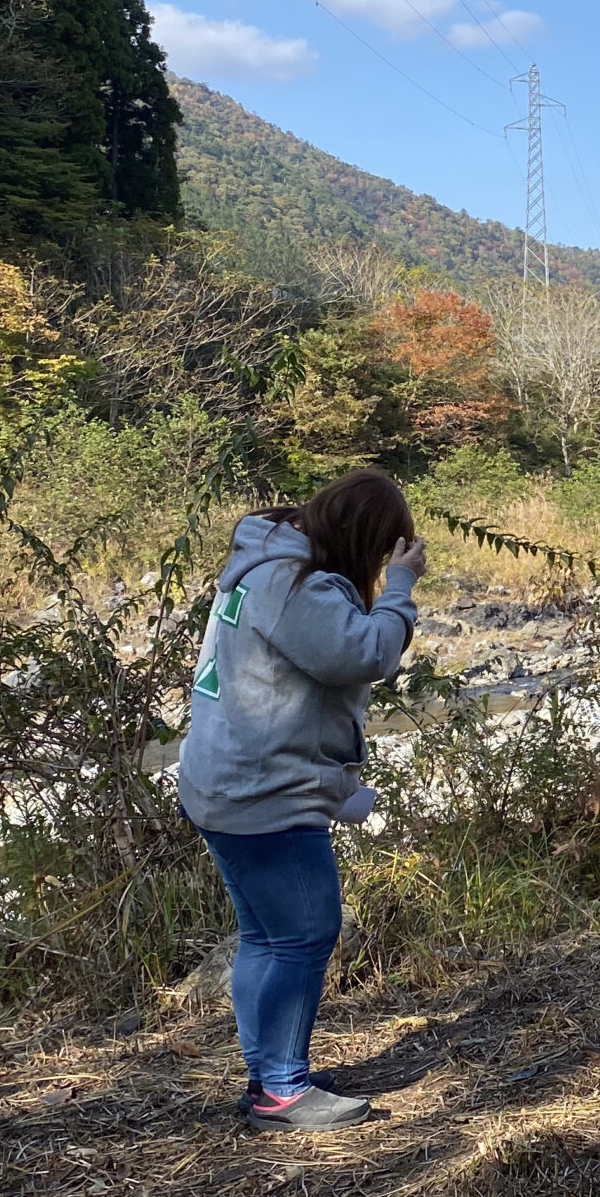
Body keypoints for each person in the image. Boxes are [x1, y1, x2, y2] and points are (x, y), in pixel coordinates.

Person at [178, 469, 425, 1134]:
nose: (377, 566)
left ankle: (268, 1079)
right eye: (379, 553)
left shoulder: (261, 563)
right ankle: (282, 1090)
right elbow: (366, 651)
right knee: (304, 933)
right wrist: (400, 586)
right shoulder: (297, 584)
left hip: (221, 780)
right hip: (264, 792)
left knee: (265, 937)